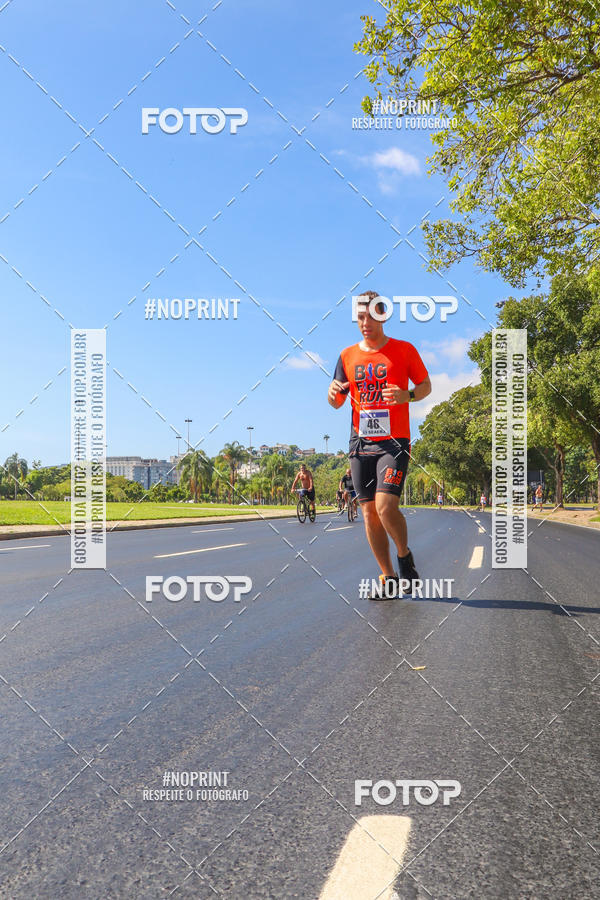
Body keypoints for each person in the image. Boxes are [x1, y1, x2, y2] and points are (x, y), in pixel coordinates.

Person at [327, 290, 432, 597]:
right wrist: (331, 393)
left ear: (383, 316)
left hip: (394, 443)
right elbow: (336, 402)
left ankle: (404, 556)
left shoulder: (403, 350)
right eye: (360, 316)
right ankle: (388, 579)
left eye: (371, 315)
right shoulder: (347, 356)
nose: (365, 322)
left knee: (386, 507)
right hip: (360, 443)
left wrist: (407, 396)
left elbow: (425, 385)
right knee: (369, 513)